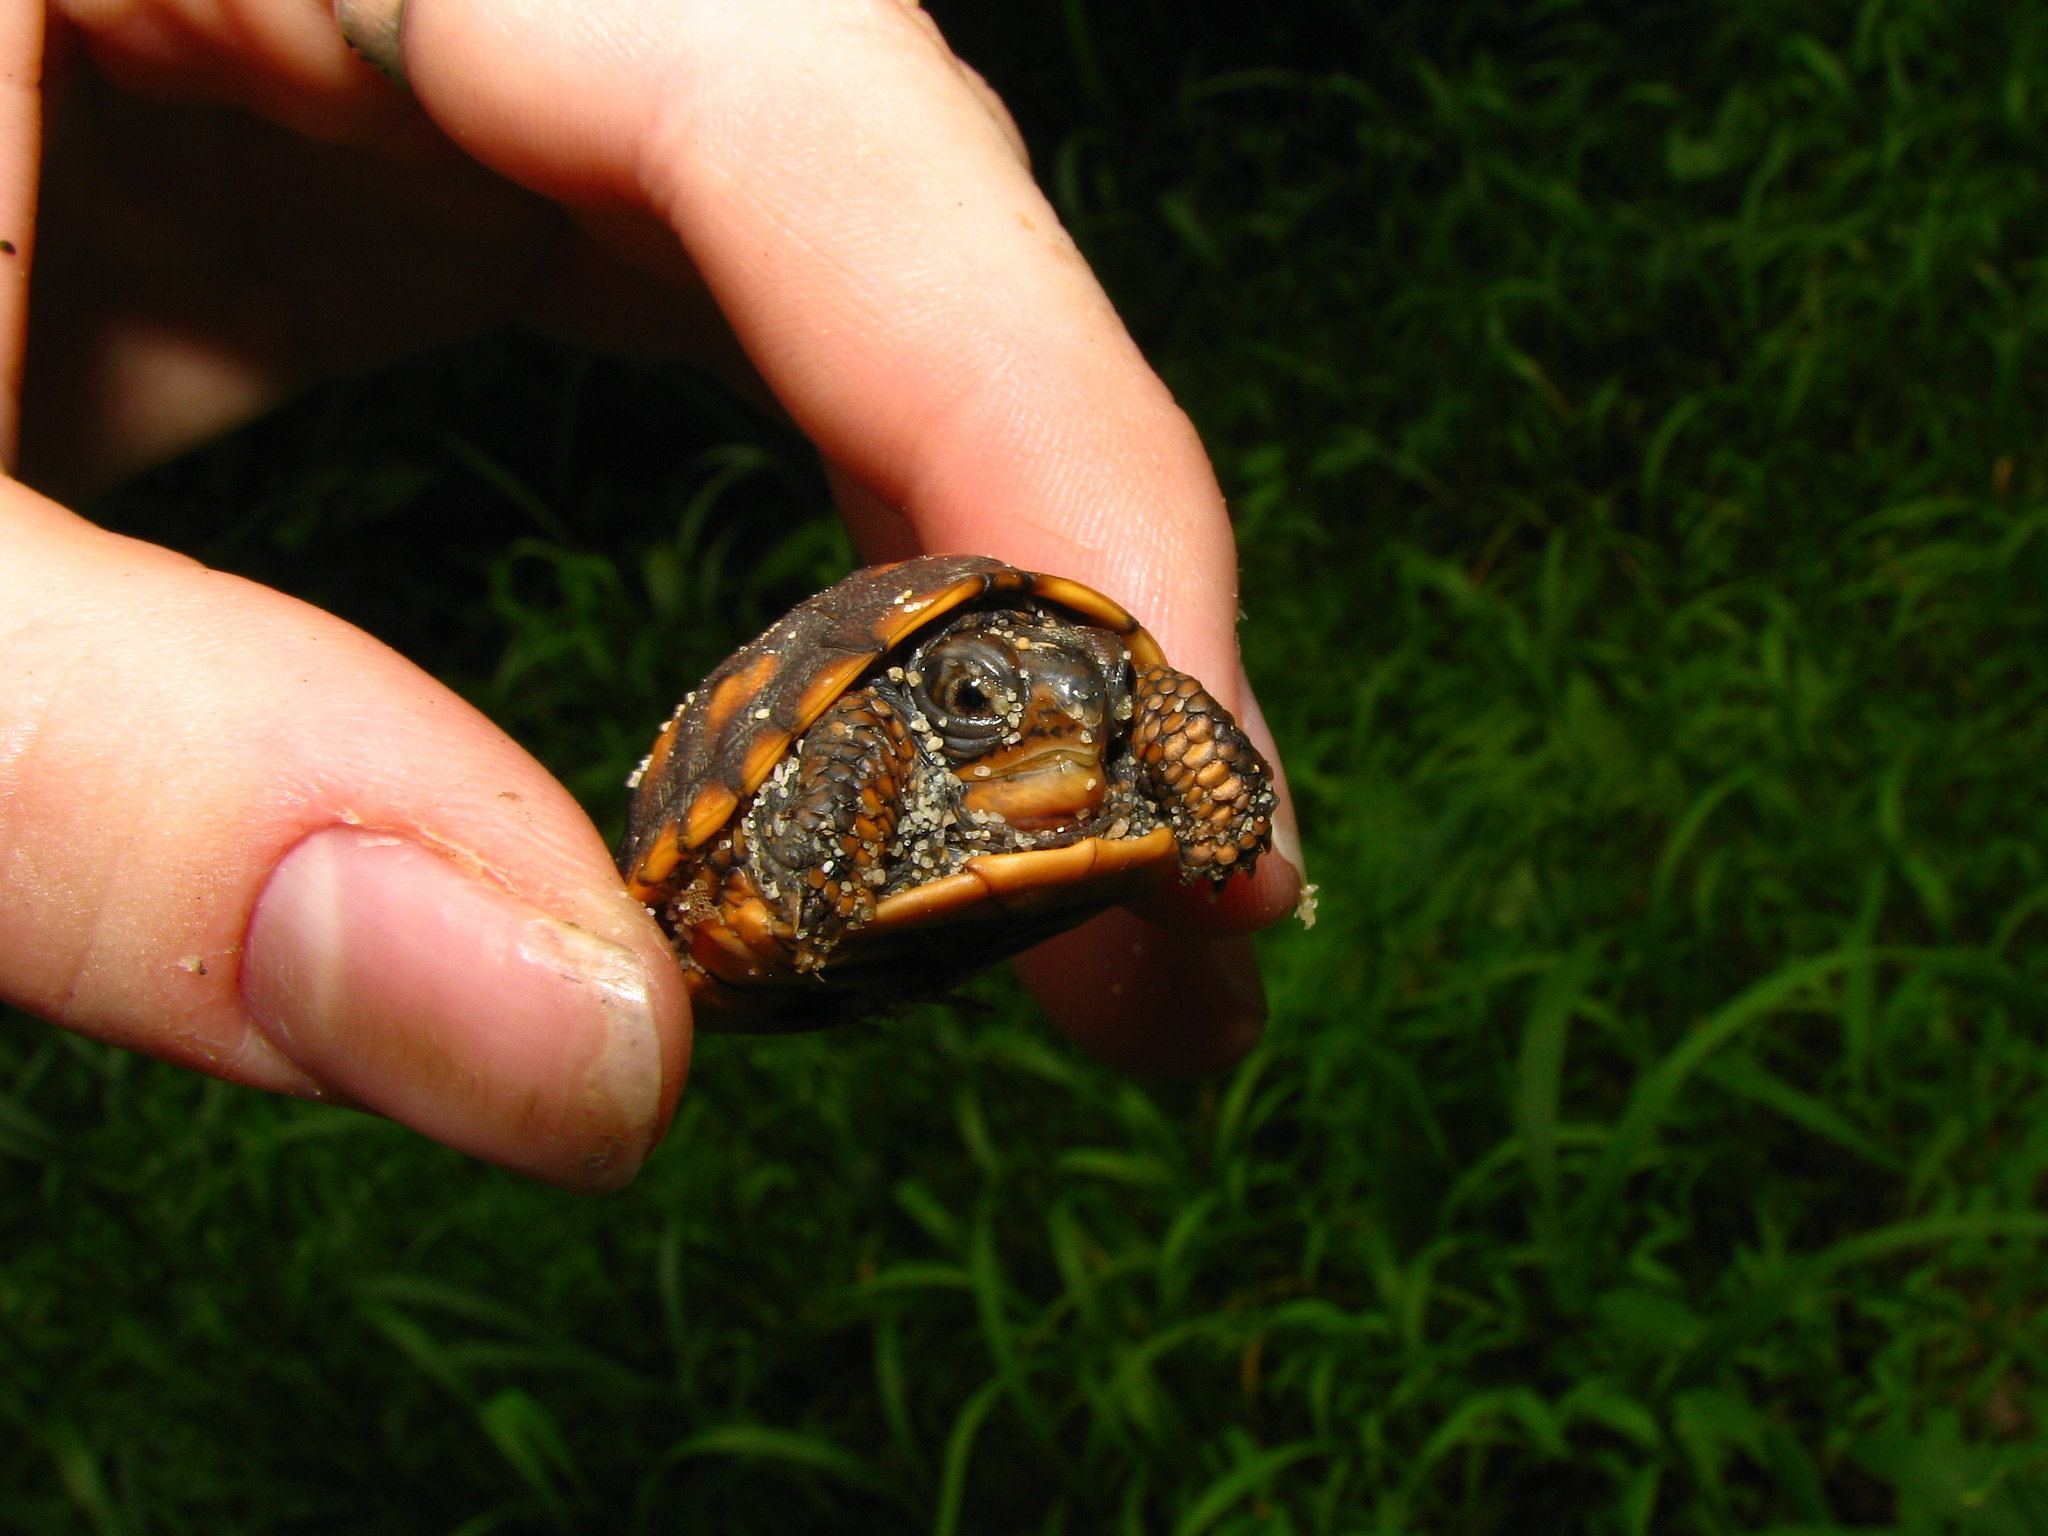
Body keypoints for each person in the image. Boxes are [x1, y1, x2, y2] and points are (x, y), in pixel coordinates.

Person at [0, 0, 1302, 1191]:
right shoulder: (873, 743)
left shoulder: (1091, 713)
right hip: (769, 882)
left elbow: (1151, 708)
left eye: (1089, 704)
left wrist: (1199, 769)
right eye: (974, 697)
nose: (1056, 716)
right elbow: (837, 768)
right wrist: (810, 857)